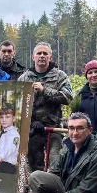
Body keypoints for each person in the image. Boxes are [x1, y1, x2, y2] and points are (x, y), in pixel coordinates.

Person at [20, 42, 74, 172]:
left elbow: (68, 98)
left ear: (50, 57)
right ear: (33, 57)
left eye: (45, 53)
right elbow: (17, 103)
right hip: (32, 129)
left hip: (54, 128)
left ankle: (54, 183)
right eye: (39, 53)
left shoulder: (60, 76)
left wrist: (45, 90)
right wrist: (30, 122)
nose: (42, 56)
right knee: (33, 166)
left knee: (55, 163)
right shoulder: (24, 77)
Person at [0, 106, 20, 174]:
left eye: (7, 117)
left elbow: (10, 148)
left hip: (8, 167)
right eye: (1, 117)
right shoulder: (1, 133)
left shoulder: (14, 134)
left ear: (13, 119)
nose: (4, 120)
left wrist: (0, 157)